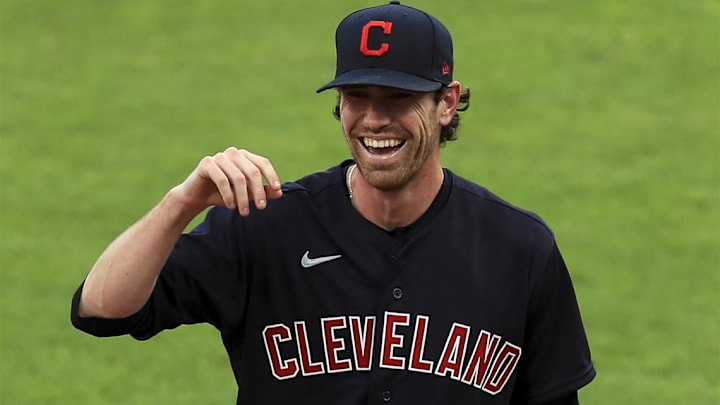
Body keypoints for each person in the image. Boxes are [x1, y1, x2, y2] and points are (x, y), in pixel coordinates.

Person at [71, 1, 596, 404]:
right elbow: (101, 310)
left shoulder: (519, 250)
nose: (373, 120)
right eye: (358, 96)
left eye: (398, 98)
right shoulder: (264, 225)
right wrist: (180, 205)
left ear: (448, 103)